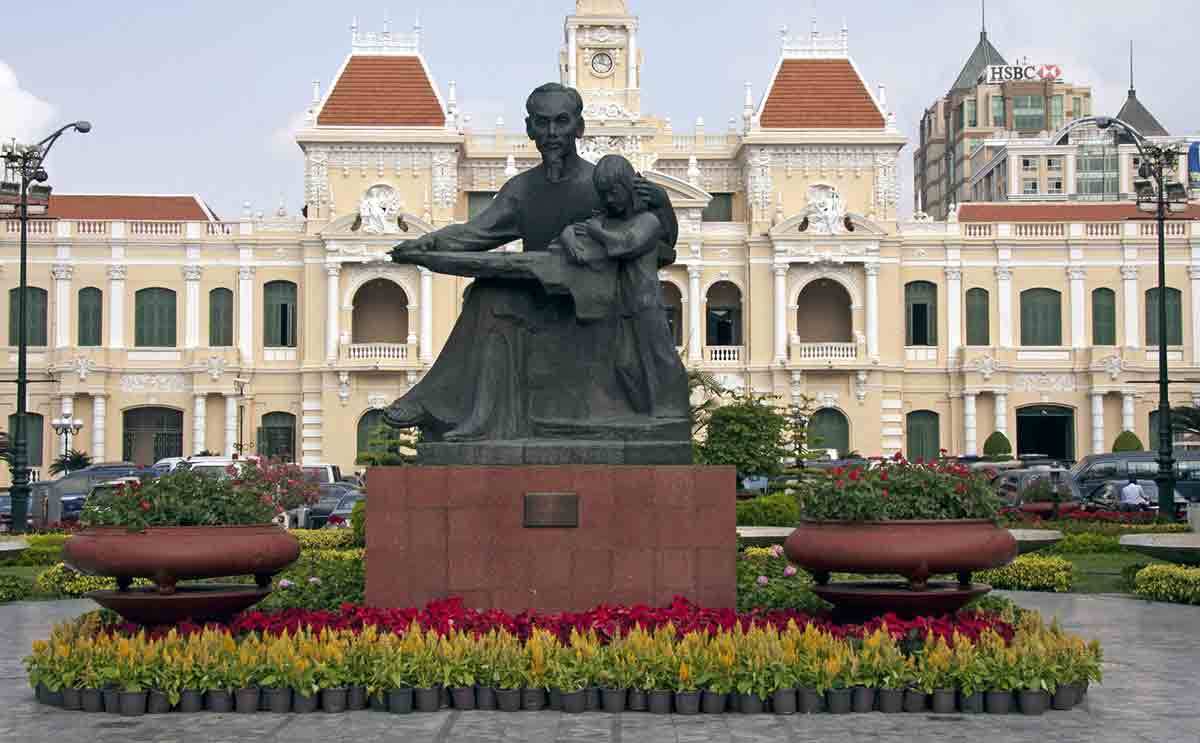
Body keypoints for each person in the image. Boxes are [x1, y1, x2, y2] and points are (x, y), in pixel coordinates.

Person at [385, 83, 679, 443]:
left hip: (594, 309)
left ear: (579, 127)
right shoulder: (522, 189)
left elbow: (659, 247)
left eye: (561, 122)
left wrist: (662, 205)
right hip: (541, 296)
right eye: (543, 123)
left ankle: (445, 405)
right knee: (487, 295)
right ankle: (475, 416)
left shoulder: (601, 184)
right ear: (529, 128)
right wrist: (426, 243)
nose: (552, 133)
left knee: (494, 295)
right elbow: (476, 233)